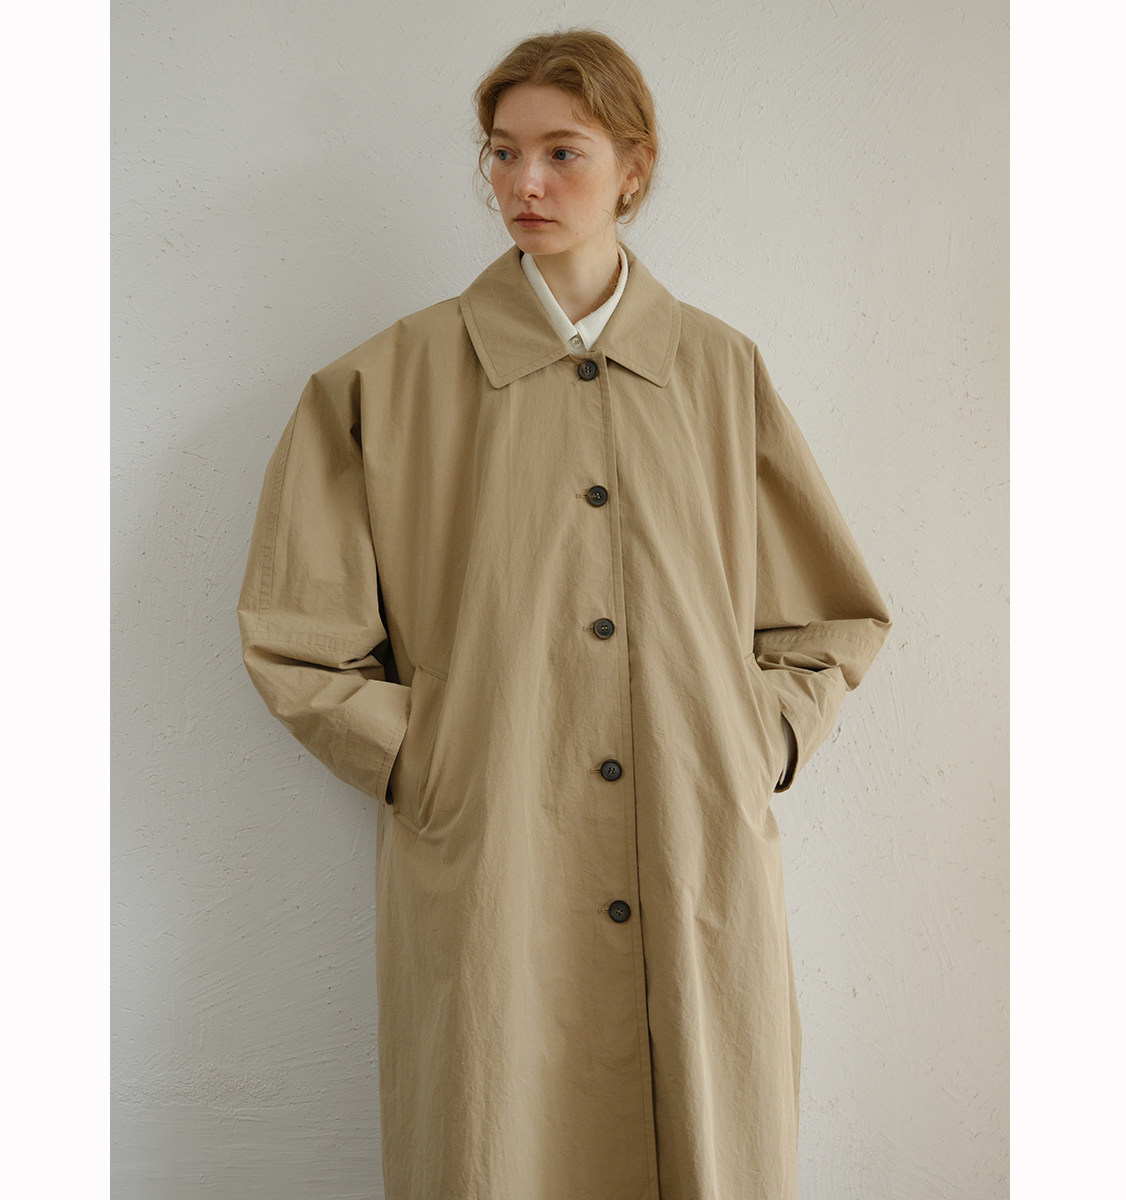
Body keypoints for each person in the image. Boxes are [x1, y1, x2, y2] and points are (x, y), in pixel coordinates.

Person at [238, 28, 890, 1200]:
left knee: (704, 1135)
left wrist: (751, 742)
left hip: (694, 842)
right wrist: (432, 762)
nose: (524, 183)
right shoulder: (386, 382)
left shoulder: (718, 372)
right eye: (503, 152)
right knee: (498, 1134)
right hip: (493, 857)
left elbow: (828, 620)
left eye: (562, 152)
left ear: (634, 168)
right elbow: (298, 636)